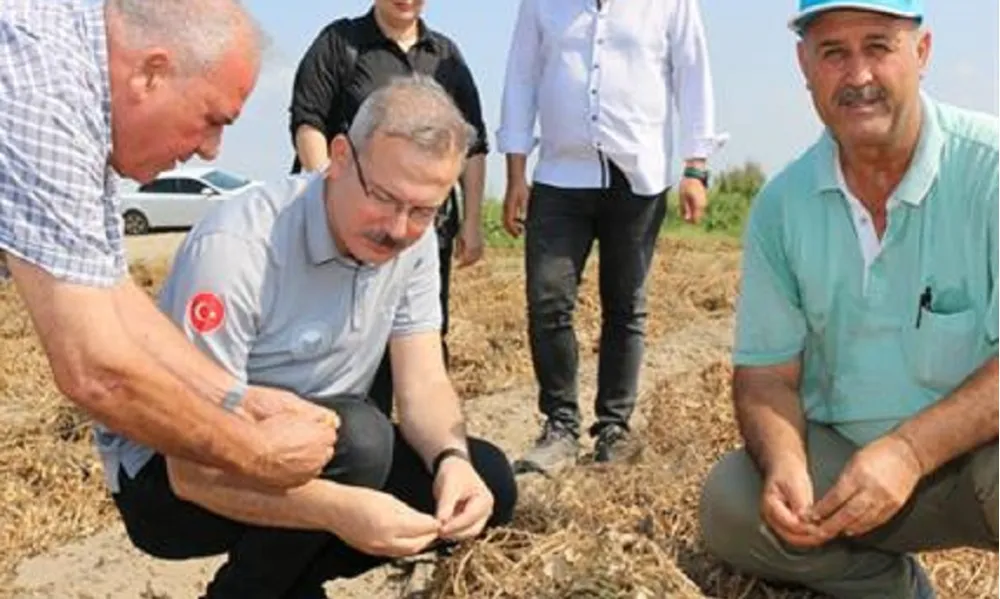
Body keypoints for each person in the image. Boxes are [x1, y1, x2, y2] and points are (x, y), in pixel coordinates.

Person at [103, 76, 518, 599]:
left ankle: (293, 583)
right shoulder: (238, 248)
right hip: (171, 481)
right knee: (357, 442)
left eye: (423, 211)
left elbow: (424, 385)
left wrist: (451, 461)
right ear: (340, 157)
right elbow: (191, 468)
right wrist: (339, 511)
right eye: (385, 199)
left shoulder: (411, 241)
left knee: (490, 484)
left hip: (324, 449)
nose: (398, 228)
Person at [698, 1, 998, 597]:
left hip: (981, 459)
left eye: (879, 46)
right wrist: (785, 463)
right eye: (834, 53)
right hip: (849, 470)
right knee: (732, 504)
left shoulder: (989, 171)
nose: (857, 75)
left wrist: (910, 451)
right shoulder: (783, 207)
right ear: (804, 64)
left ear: (923, 52)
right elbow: (765, 376)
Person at [0, 0, 338, 489]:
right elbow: (95, 370)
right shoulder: (41, 92)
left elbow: (111, 292)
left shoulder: (87, 98)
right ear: (152, 74)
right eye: (212, 119)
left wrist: (239, 398)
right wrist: (257, 453)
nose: (211, 149)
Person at [497, 0, 726, 473]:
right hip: (561, 174)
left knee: (625, 305)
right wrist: (516, 172)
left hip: (638, 175)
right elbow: (521, 78)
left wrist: (696, 165)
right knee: (548, 300)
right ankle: (560, 425)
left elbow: (692, 75)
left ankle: (614, 428)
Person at [288, 0, 489, 417]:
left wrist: (472, 221)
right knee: (342, 332)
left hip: (419, 232)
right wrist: (331, 206)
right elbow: (310, 123)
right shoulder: (339, 43)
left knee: (419, 332)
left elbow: (473, 144)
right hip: (347, 227)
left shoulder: (446, 56)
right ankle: (345, 431)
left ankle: (412, 438)